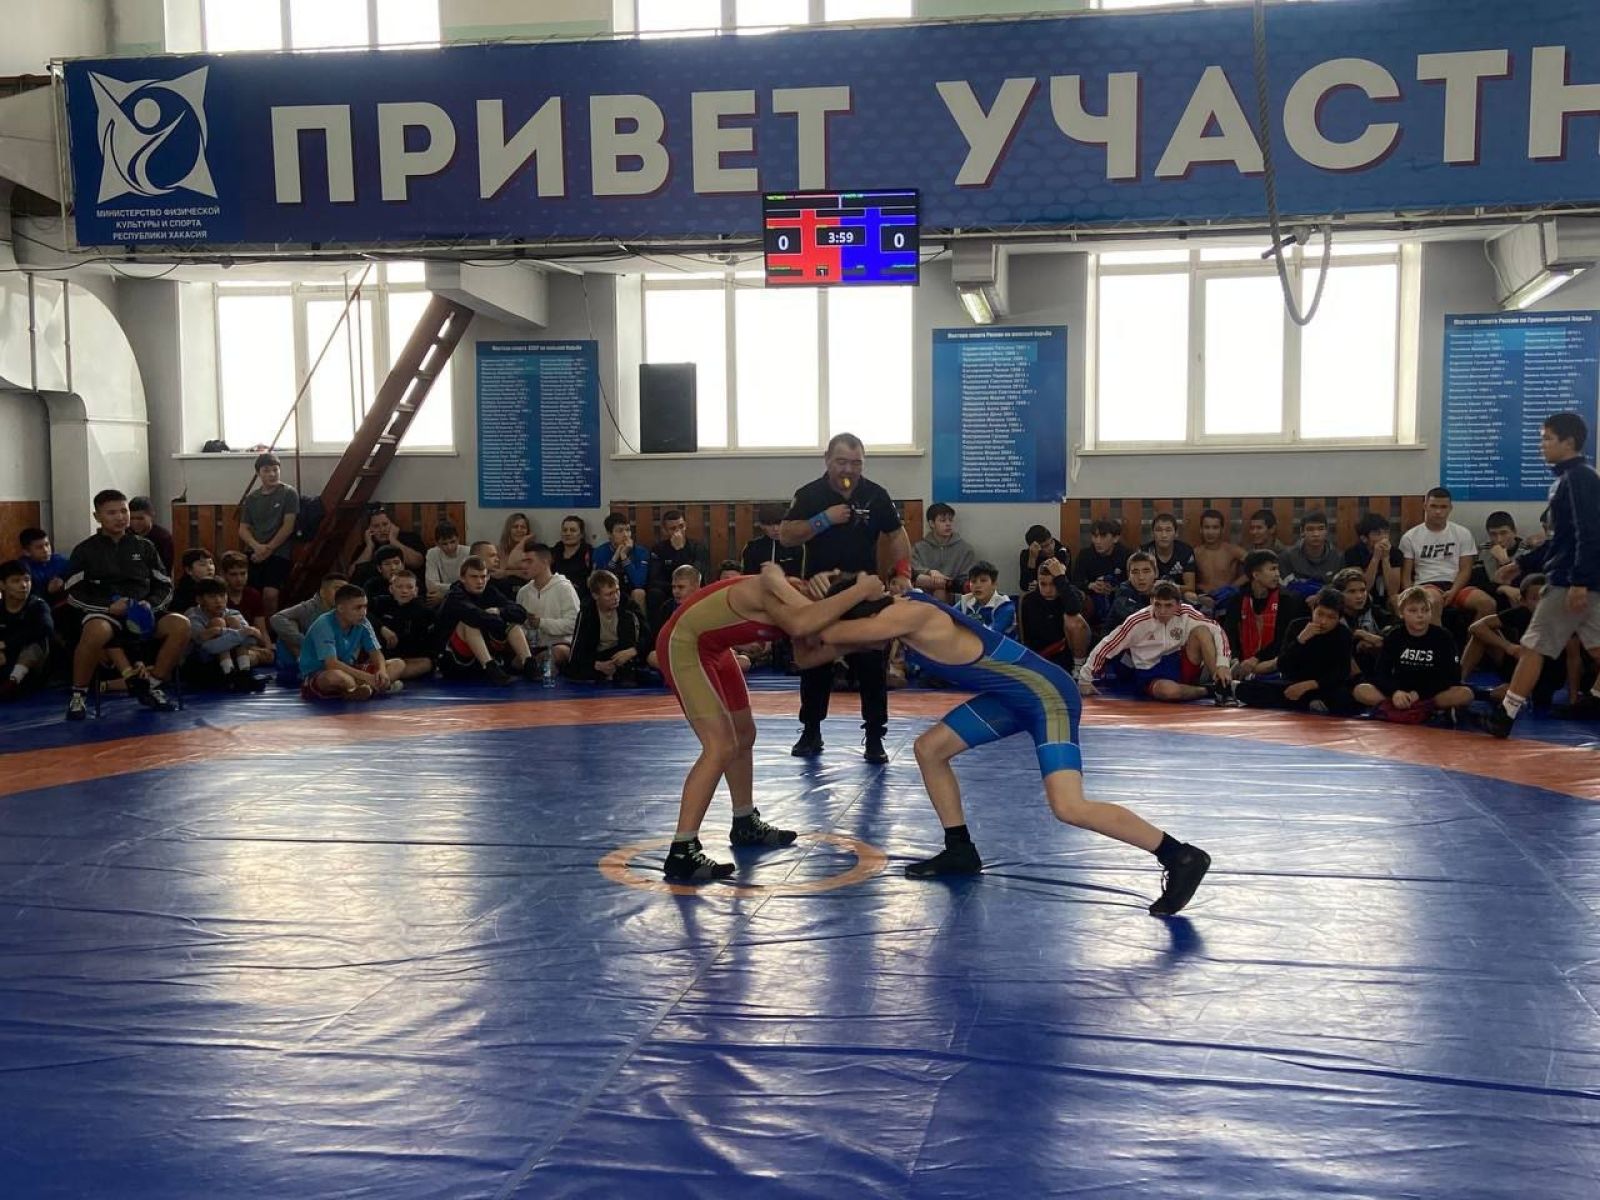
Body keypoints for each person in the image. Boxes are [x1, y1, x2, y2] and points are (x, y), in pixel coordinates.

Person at [801, 575, 1210, 914]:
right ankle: (959, 849)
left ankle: (1179, 855)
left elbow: (819, 629)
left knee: (1069, 806)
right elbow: (810, 652)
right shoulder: (895, 614)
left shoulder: (908, 613)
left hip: (1047, 695)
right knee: (930, 749)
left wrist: (794, 595)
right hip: (1014, 696)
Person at [655, 566, 890, 882]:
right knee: (720, 746)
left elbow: (805, 658)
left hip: (714, 649)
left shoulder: (806, 608)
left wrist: (856, 644)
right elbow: (801, 622)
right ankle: (682, 850)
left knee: (744, 735)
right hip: (683, 644)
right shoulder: (780, 591)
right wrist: (861, 589)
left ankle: (744, 821)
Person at [779, 433, 913, 763]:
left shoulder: (876, 495)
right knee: (817, 661)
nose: (849, 469)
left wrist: (902, 573)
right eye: (841, 462)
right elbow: (786, 536)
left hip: (863, 591)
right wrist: (823, 519)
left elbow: (898, 536)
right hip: (821, 591)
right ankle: (811, 730)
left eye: (856, 463)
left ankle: (875, 736)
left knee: (871, 663)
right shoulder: (810, 494)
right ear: (827, 460)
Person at [1489, 412, 1600, 737]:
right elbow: (1561, 539)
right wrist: (1523, 563)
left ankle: (1504, 717)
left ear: (1569, 442)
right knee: (1595, 649)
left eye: (1547, 438)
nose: (1542, 445)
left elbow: (1589, 533)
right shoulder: (1569, 479)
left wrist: (1579, 581)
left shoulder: (1578, 478)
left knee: (1533, 646)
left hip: (1570, 581)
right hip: (1578, 578)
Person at [64, 489, 187, 720]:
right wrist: (107, 607)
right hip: (106, 613)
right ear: (97, 516)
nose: (120, 517)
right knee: (96, 630)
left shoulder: (145, 547)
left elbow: (164, 585)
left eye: (123, 511)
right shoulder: (85, 550)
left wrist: (150, 604)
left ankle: (151, 685)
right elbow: (72, 591)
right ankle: (78, 694)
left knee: (181, 624)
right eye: (111, 513)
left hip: (143, 612)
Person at [1083, 581, 1233, 704]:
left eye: (1168, 605)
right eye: (1158, 605)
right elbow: (1108, 644)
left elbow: (1217, 629)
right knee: (1169, 692)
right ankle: (1210, 690)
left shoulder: (1186, 612)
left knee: (1202, 631)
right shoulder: (1138, 621)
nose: (1162, 611)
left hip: (1180, 662)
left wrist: (1223, 664)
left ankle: (1223, 687)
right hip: (1151, 672)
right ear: (1151, 602)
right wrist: (1085, 678)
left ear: (1178, 605)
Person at [1353, 586, 1474, 724]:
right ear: (1402, 613)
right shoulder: (1394, 636)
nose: (1420, 615)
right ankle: (1409, 709)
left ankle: (1411, 709)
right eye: (1413, 611)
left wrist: (1419, 694)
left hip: (1430, 694)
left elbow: (1451, 676)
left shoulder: (1443, 637)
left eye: (1425, 610)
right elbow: (1381, 672)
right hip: (1400, 692)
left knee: (1465, 694)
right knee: (1360, 690)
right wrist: (1395, 692)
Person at [1235, 587, 1357, 714]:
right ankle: (1310, 703)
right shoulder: (1297, 626)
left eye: (1331, 617)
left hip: (1323, 686)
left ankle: (1311, 702)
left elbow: (1341, 673)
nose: (1323, 621)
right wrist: (1300, 640)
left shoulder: (1343, 634)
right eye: (1320, 614)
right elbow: (1283, 665)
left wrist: (1308, 685)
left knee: (1344, 697)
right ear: (1313, 609)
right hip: (1292, 683)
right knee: (1247, 689)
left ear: (1339, 618)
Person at [1461, 574, 1573, 706]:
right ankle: (1458, 680)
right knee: (1481, 634)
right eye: (1535, 599)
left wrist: (1573, 697)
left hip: (1547, 677)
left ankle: (1495, 694)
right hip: (1519, 663)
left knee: (1511, 695)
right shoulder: (1522, 613)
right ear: (1523, 601)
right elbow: (1476, 627)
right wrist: (1508, 646)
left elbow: (1573, 658)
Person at [1399, 487, 1496, 627]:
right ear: (1425, 506)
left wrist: (1454, 591)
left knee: (1488, 604)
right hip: (1426, 584)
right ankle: (1438, 641)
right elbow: (1406, 576)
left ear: (1450, 508)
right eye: (1433, 506)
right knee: (1433, 601)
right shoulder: (1410, 537)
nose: (1438, 512)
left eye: (1443, 507)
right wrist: (1410, 597)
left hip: (1457, 585)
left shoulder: (1462, 533)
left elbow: (1465, 569)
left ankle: (1471, 640)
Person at [437, 555, 536, 685]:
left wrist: (499, 612)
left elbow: (521, 613)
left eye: (483, 577)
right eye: (474, 577)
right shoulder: (454, 596)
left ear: (488, 577)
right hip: (454, 661)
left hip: (485, 654)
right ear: (462, 578)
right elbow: (474, 616)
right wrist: (498, 620)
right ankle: (491, 667)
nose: (479, 581)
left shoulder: (490, 591)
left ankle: (529, 663)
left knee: (512, 623)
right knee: (469, 624)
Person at [299, 583, 404, 701]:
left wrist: (382, 671)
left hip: (349, 669)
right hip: (320, 673)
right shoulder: (324, 624)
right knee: (336, 677)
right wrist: (366, 677)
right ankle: (371, 688)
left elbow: (375, 652)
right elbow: (331, 664)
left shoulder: (363, 621)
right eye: (358, 608)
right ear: (340, 608)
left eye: (365, 607)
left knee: (398, 664)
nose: (363, 612)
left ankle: (364, 690)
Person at [1220, 550, 1309, 683]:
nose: (1277, 574)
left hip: (1275, 661)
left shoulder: (1288, 600)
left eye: (1277, 569)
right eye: (1272, 569)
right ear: (1256, 575)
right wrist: (1235, 659)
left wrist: (1257, 658)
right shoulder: (1237, 600)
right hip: (1243, 663)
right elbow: (1229, 634)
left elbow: (1284, 638)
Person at [237, 453, 300, 615]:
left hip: (279, 552)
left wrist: (268, 549)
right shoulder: (252, 498)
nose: (272, 474)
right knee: (247, 591)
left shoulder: (289, 493)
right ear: (258, 473)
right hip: (254, 551)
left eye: (275, 470)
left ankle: (270, 627)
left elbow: (288, 526)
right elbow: (243, 529)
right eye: (266, 470)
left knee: (270, 594)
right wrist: (257, 547)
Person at [567, 569, 651, 685]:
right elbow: (576, 653)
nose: (616, 597)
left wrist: (633, 651)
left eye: (617, 591)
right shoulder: (587, 612)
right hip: (600, 655)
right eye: (609, 594)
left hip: (626, 652)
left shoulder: (628, 606)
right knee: (574, 670)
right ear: (595, 595)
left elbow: (648, 636)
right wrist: (596, 665)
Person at [185, 577, 269, 692]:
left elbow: (250, 640)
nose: (218, 600)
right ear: (199, 600)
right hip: (202, 664)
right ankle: (230, 676)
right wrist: (230, 632)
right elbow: (204, 644)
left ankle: (243, 674)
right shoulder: (193, 615)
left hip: (231, 660)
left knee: (233, 623)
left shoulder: (233, 613)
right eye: (212, 597)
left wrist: (224, 632)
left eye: (222, 595)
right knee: (218, 623)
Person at [270, 572, 349, 684]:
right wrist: (305, 642)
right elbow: (277, 618)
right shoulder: (309, 607)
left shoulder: (346, 611)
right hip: (295, 661)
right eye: (337, 589)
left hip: (330, 661)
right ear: (322, 592)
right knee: (289, 624)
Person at [514, 543, 580, 673]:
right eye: (523, 561)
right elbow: (518, 624)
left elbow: (574, 624)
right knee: (516, 662)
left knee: (554, 654)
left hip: (560, 644)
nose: (524, 566)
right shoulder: (523, 592)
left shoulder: (564, 588)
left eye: (529, 561)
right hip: (532, 646)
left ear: (545, 562)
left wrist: (541, 623)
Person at [1018, 557, 1089, 670]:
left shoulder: (1071, 593)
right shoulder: (1029, 600)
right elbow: (1027, 636)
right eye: (1043, 584)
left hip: (1068, 650)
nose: (1048, 590)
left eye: (1053, 584)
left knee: (1074, 619)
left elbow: (1074, 609)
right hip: (1041, 652)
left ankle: (1079, 667)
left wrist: (1060, 578)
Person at [367, 570, 437, 682]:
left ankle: (382, 680)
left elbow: (428, 646)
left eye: (409, 587)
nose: (404, 591)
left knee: (427, 663)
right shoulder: (380, 603)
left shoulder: (424, 612)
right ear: (391, 589)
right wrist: (382, 628)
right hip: (383, 656)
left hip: (409, 658)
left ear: (416, 591)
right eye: (399, 587)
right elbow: (363, 614)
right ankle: (386, 680)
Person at [0, 559, 52, 701]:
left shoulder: (37, 605)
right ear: (2, 585)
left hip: (32, 667)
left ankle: (13, 681)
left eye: (27, 580)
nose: (23, 585)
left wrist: (7, 644)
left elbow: (46, 628)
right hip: (6, 660)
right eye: (16, 581)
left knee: (38, 641)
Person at [218, 551, 275, 667]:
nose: (239, 579)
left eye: (243, 574)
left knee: (267, 655)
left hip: (250, 643)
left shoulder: (253, 595)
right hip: (226, 645)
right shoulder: (218, 597)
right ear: (223, 575)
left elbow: (261, 629)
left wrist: (268, 648)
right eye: (233, 574)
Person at [1071, 518, 1129, 630]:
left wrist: (1114, 588)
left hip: (1118, 602)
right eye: (1095, 536)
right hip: (1091, 603)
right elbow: (1075, 582)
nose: (1097, 541)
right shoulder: (1085, 555)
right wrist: (1090, 585)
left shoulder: (1125, 555)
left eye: (1103, 536)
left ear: (1115, 538)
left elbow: (1132, 582)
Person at [352, 506, 427, 591]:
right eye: (376, 526)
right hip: (376, 591)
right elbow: (352, 574)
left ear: (393, 525)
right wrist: (369, 547)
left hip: (408, 590)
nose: (382, 529)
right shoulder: (366, 546)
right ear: (369, 530)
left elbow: (417, 562)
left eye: (385, 524)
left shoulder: (409, 538)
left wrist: (393, 540)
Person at [646, 510, 709, 611]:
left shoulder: (698, 548)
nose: (678, 531)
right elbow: (654, 579)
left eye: (681, 526)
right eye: (673, 528)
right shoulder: (658, 549)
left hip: (691, 588)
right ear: (665, 531)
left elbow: (696, 575)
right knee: (654, 594)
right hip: (668, 589)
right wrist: (674, 587)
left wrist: (680, 551)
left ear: (685, 525)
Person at [1342, 513, 1404, 614]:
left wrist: (1385, 558)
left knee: (1396, 600)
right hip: (1364, 597)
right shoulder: (1353, 553)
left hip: (1386, 598)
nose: (1383, 537)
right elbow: (1363, 587)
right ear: (1364, 538)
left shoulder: (1395, 553)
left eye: (1386, 532)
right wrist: (1375, 558)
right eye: (1377, 533)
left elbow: (1393, 591)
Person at [593, 513, 652, 613]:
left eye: (628, 530)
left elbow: (639, 583)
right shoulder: (600, 552)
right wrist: (615, 557)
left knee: (639, 593)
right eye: (620, 531)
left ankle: (640, 623)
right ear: (609, 534)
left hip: (630, 590)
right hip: (610, 590)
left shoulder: (641, 552)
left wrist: (624, 556)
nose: (625, 535)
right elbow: (601, 582)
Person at [1332, 566, 1386, 671]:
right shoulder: (1332, 615)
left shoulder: (1374, 611)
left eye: (1362, 590)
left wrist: (1366, 636)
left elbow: (1394, 635)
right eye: (1352, 592)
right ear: (1339, 594)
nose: (1359, 596)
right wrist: (1358, 638)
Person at [1192, 508, 1245, 612]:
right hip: (1202, 599)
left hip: (1227, 600)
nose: (1210, 532)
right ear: (1201, 529)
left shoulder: (1232, 551)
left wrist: (1233, 587)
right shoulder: (1195, 553)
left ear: (1222, 529)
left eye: (1215, 527)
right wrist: (1198, 596)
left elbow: (1256, 565)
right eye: (1207, 527)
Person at [1278, 511, 1343, 593]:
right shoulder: (1287, 557)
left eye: (1321, 529)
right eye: (1310, 529)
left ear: (1326, 531)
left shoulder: (1338, 557)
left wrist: (1320, 595)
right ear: (1302, 532)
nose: (1316, 534)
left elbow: (1340, 588)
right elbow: (1285, 589)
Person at [1473, 510, 1526, 608]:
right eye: (1493, 534)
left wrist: (1505, 561)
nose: (1499, 539)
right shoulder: (1483, 551)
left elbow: (1525, 584)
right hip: (1491, 598)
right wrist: (1502, 588)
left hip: (1518, 600)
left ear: (1514, 532)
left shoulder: (1527, 551)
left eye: (1503, 533)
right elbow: (1478, 583)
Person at [740, 503, 804, 577]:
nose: (775, 529)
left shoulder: (798, 546)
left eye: (779, 523)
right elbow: (747, 578)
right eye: (770, 524)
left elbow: (804, 577)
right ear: (761, 525)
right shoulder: (752, 548)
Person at [1143, 513, 1197, 600]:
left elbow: (1190, 587)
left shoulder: (1185, 551)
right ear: (1152, 533)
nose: (1164, 535)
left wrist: (1168, 585)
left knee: (1191, 596)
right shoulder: (1144, 552)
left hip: (1177, 594)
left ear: (1176, 533)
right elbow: (1140, 585)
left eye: (1168, 530)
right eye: (1159, 530)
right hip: (1151, 594)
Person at [956, 561, 1016, 637]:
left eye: (983, 581)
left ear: (994, 584)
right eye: (973, 581)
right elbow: (947, 616)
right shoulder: (966, 600)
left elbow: (990, 635)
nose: (977, 585)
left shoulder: (1005, 606)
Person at [1105, 551, 1158, 629]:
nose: (1141, 577)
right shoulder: (1123, 591)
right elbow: (1139, 619)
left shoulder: (1161, 588)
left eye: (1146, 571)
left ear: (1156, 573)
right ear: (1129, 576)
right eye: (1135, 572)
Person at [19, 528, 69, 605]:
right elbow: (25, 597)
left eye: (47, 544)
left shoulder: (58, 560)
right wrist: (47, 590)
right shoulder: (22, 569)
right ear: (26, 552)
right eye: (39, 547)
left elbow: (72, 571)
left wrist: (62, 579)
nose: (45, 550)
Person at [424, 520, 470, 603]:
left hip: (464, 598)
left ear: (458, 539)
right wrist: (458, 588)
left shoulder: (468, 552)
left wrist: (445, 596)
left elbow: (470, 585)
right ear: (437, 544)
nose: (449, 547)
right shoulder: (432, 553)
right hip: (443, 597)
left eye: (453, 542)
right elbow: (431, 586)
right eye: (444, 544)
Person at [127, 497, 175, 574]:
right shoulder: (125, 534)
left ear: (151, 516)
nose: (135, 522)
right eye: (132, 518)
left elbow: (166, 570)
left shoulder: (163, 538)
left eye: (140, 518)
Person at [1019, 524, 1071, 595]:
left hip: (1058, 594)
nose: (1051, 548)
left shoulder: (1062, 551)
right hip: (1037, 595)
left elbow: (1065, 582)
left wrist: (1040, 586)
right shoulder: (1026, 555)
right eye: (1045, 546)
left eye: (1051, 542)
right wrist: (1032, 559)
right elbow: (1024, 586)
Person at [548, 516, 595, 588]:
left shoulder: (590, 554)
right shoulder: (552, 553)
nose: (568, 533)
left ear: (581, 534)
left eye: (573, 530)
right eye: (565, 530)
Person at [169, 547, 216, 616]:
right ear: (189, 570)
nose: (210, 568)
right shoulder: (182, 594)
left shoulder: (216, 586)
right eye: (203, 564)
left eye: (211, 563)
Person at [497, 513, 534, 578]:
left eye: (523, 527)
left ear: (527, 531)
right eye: (515, 527)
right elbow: (495, 573)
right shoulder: (498, 550)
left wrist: (523, 541)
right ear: (508, 530)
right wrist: (516, 572)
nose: (519, 530)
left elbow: (529, 574)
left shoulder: (532, 551)